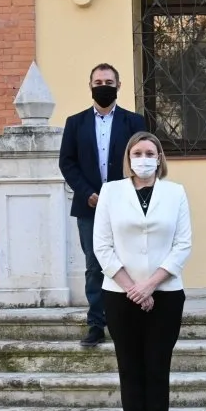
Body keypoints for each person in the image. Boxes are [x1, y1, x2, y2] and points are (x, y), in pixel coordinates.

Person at [93, 131, 191, 411]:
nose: (144, 158)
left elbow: (182, 245)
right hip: (120, 295)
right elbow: (102, 246)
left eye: (151, 152)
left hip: (165, 295)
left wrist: (149, 286)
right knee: (130, 369)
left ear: (160, 158)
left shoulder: (175, 192)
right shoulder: (111, 191)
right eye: (138, 152)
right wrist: (132, 287)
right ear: (128, 158)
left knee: (156, 368)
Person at [59, 63, 146, 347]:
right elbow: (67, 162)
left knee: (130, 262)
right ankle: (96, 324)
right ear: (90, 85)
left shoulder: (134, 122)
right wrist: (87, 193)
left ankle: (130, 320)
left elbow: (142, 159)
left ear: (118, 86)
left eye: (109, 81)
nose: (103, 86)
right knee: (95, 266)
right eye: (98, 81)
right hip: (89, 207)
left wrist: (124, 193)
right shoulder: (76, 123)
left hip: (127, 204)